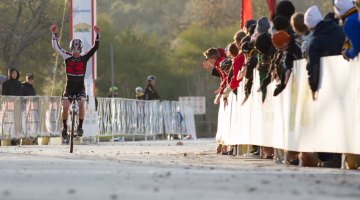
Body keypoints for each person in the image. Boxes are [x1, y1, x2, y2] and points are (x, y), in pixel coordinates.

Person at [50, 24, 100, 139]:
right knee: (65, 107)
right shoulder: (67, 56)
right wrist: (54, 34)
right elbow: (56, 47)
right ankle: (64, 127)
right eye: (73, 50)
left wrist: (97, 34)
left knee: (82, 104)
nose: (75, 53)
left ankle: (80, 127)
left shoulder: (84, 57)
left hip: (80, 88)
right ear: (71, 49)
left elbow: (95, 47)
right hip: (69, 88)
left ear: (81, 50)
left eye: (77, 51)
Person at [304, 5, 345, 100]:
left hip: (331, 87)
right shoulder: (339, 30)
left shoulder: (315, 41)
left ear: (310, 25)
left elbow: (313, 66)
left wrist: (313, 87)